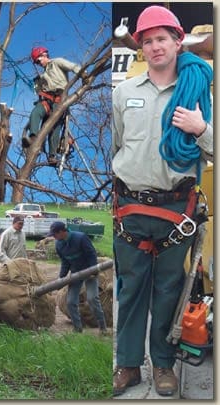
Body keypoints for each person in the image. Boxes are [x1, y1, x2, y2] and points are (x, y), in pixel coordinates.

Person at [112, 5, 213, 397]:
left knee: (169, 290)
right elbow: (116, 147)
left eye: (161, 38)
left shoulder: (199, 93)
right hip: (131, 209)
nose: (155, 46)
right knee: (130, 290)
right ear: (141, 48)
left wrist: (201, 128)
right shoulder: (123, 93)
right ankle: (129, 366)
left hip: (177, 210)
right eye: (148, 40)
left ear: (177, 41)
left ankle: (164, 364)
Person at [22, 46, 88, 165]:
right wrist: (37, 84)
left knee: (54, 128)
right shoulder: (44, 75)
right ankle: (33, 137)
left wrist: (84, 75)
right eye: (36, 62)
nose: (38, 63)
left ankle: (52, 156)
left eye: (38, 60)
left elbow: (73, 67)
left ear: (44, 55)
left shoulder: (57, 62)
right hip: (47, 100)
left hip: (59, 100)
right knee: (35, 113)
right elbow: (37, 90)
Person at [48, 221, 107, 334]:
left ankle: (103, 327)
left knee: (92, 298)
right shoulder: (59, 244)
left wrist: (93, 271)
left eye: (54, 235)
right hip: (75, 273)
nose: (54, 237)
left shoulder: (80, 238)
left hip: (90, 272)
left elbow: (91, 254)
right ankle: (77, 328)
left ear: (61, 232)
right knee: (70, 302)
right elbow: (65, 262)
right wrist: (62, 277)